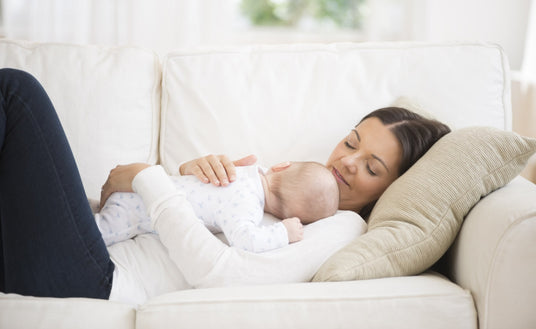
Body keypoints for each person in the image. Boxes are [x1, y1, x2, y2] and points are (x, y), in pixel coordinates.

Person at [0, 68, 450, 303]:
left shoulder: (341, 229)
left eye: (372, 168)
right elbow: (153, 207)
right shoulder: (282, 176)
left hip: (98, 276)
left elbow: (221, 274)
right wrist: (187, 178)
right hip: (97, 240)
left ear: (393, 187)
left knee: (17, 94)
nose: (347, 164)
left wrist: (149, 179)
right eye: (351, 143)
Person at [96, 161, 339, 252]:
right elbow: (246, 240)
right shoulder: (248, 207)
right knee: (94, 234)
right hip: (134, 212)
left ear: (282, 166)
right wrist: (283, 232)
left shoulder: (243, 169)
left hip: (132, 188)